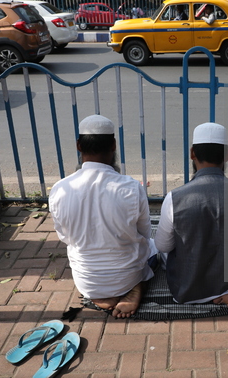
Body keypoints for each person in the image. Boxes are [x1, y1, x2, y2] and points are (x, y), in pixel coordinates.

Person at [49, 114, 155, 319]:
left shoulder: (59, 189)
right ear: (114, 145)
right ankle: (136, 286)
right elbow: (145, 233)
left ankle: (100, 295)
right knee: (155, 247)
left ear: (79, 146)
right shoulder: (132, 187)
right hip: (127, 276)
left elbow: (65, 238)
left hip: (87, 281)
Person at [154, 122, 228, 306]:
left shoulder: (175, 197)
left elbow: (163, 246)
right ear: (227, 155)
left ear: (192, 154)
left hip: (188, 291)